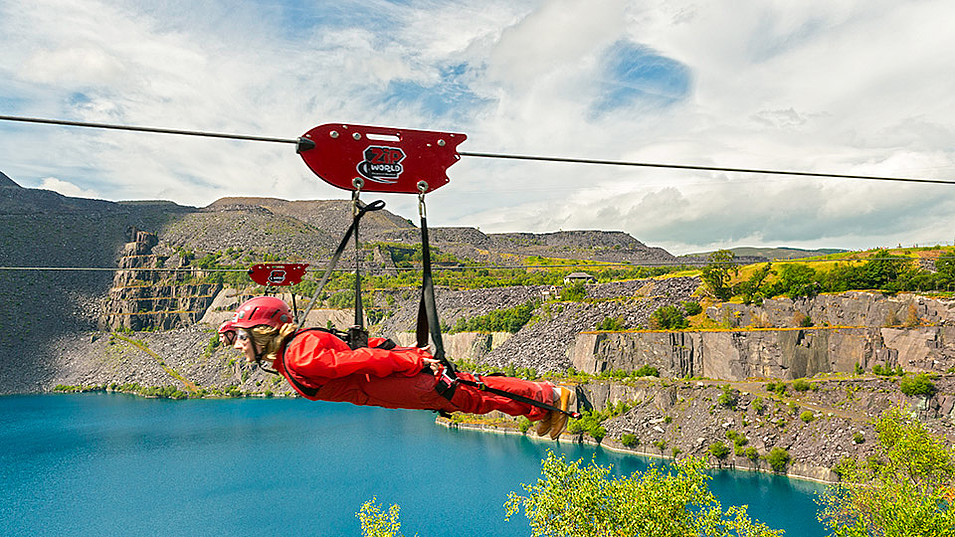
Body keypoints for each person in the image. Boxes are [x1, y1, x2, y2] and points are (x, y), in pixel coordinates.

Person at [230, 296, 576, 439]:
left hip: (388, 383)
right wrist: (407, 356)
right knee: (467, 393)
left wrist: (410, 359)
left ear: (262, 333)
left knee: (468, 394)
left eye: (241, 336)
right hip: (384, 386)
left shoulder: (297, 355)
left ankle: (547, 397)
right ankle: (538, 407)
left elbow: (358, 359)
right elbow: (359, 355)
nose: (237, 344)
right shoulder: (294, 351)